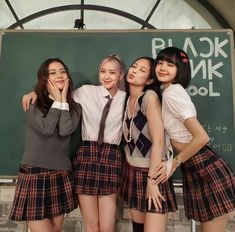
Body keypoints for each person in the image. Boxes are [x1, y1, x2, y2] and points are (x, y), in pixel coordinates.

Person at [22, 54, 126, 232]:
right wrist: (36, 91)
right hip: (86, 154)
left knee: (108, 227)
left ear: (121, 75)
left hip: (111, 156)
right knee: (91, 225)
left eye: (112, 72)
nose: (107, 76)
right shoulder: (85, 92)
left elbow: (64, 126)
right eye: (102, 71)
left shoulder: (127, 97)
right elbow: (58, 100)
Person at [153, 47, 235, 232]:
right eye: (160, 63)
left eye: (170, 64)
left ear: (180, 70)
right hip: (196, 167)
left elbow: (202, 137)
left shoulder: (172, 93)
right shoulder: (169, 92)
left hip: (204, 166)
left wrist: (175, 162)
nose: (162, 67)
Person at [9, 58, 82, 232]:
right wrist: (57, 101)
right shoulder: (32, 102)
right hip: (35, 173)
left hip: (61, 173)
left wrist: (63, 100)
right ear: (44, 78)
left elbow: (65, 130)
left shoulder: (75, 108)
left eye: (63, 71)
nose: (59, 75)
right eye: (52, 72)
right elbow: (47, 128)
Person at [121, 56, 177, 232]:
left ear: (150, 80)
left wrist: (152, 181)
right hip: (132, 171)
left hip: (152, 173)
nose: (134, 71)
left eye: (142, 70)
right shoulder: (127, 99)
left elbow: (159, 140)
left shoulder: (149, 97)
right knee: (138, 228)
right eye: (134, 66)